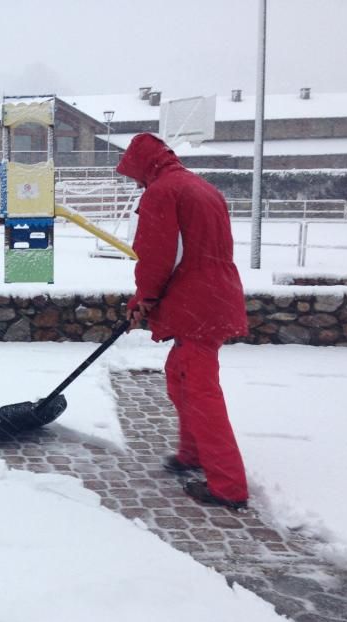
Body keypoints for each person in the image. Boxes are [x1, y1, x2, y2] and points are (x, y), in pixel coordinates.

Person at [116, 133, 249, 510]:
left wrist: (143, 299)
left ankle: (228, 486)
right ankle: (192, 454)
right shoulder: (203, 188)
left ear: (144, 165)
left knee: (203, 393)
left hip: (198, 304)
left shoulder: (162, 192)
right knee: (180, 377)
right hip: (215, 296)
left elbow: (156, 255)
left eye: (134, 174)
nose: (136, 182)